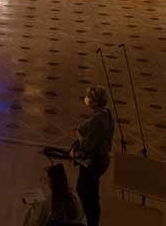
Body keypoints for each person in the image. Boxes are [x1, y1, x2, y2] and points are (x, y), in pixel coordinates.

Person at [71, 85, 115, 226]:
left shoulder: (97, 121)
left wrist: (78, 136)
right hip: (101, 161)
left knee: (87, 193)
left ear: (95, 101)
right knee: (88, 191)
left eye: (89, 97)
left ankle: (87, 220)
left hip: (92, 163)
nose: (86, 99)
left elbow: (87, 145)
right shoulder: (107, 114)